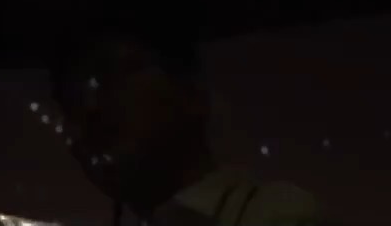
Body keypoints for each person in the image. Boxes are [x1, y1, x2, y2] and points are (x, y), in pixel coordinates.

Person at [50, 29, 330, 226]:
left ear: (191, 94)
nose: (89, 109)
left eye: (110, 78)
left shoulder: (279, 215)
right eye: (72, 101)